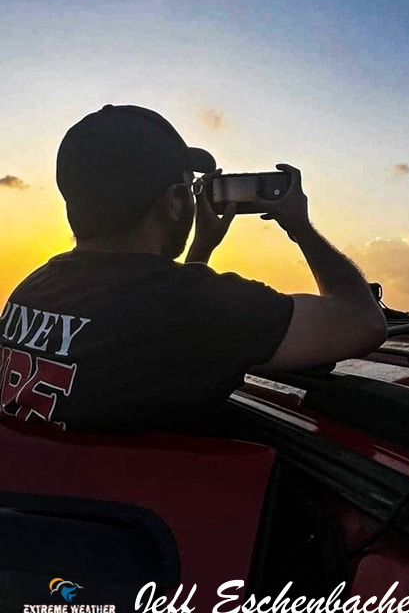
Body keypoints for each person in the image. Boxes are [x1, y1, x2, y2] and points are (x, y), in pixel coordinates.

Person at [0, 104, 386, 434]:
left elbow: (156, 324)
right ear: (175, 201)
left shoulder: (33, 290)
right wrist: (301, 227)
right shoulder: (190, 306)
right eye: (189, 188)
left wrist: (202, 246)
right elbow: (362, 322)